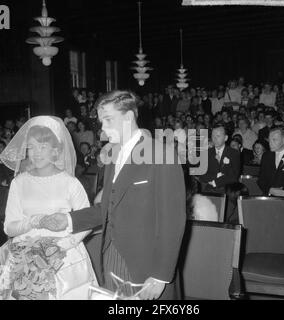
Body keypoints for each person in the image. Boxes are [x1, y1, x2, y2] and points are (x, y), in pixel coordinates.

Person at [39, 91, 186, 300]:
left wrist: (161, 275)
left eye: (108, 120)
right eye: (101, 121)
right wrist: (69, 219)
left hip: (146, 264)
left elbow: (172, 220)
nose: (103, 127)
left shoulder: (161, 153)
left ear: (128, 117)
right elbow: (109, 206)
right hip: (110, 254)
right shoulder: (113, 156)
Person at [0, 116, 97, 300]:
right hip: (24, 258)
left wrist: (61, 246)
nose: (36, 153)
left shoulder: (70, 183)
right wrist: (34, 221)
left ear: (55, 150)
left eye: (42, 147)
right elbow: (9, 227)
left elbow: (87, 222)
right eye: (31, 147)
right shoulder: (18, 183)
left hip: (63, 256)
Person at [198, 124, 241, 193]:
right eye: (213, 136)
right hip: (209, 189)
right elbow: (201, 175)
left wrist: (215, 182)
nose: (214, 139)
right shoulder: (206, 153)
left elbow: (234, 175)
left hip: (228, 191)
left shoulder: (234, 153)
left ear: (225, 138)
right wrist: (217, 175)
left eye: (218, 136)